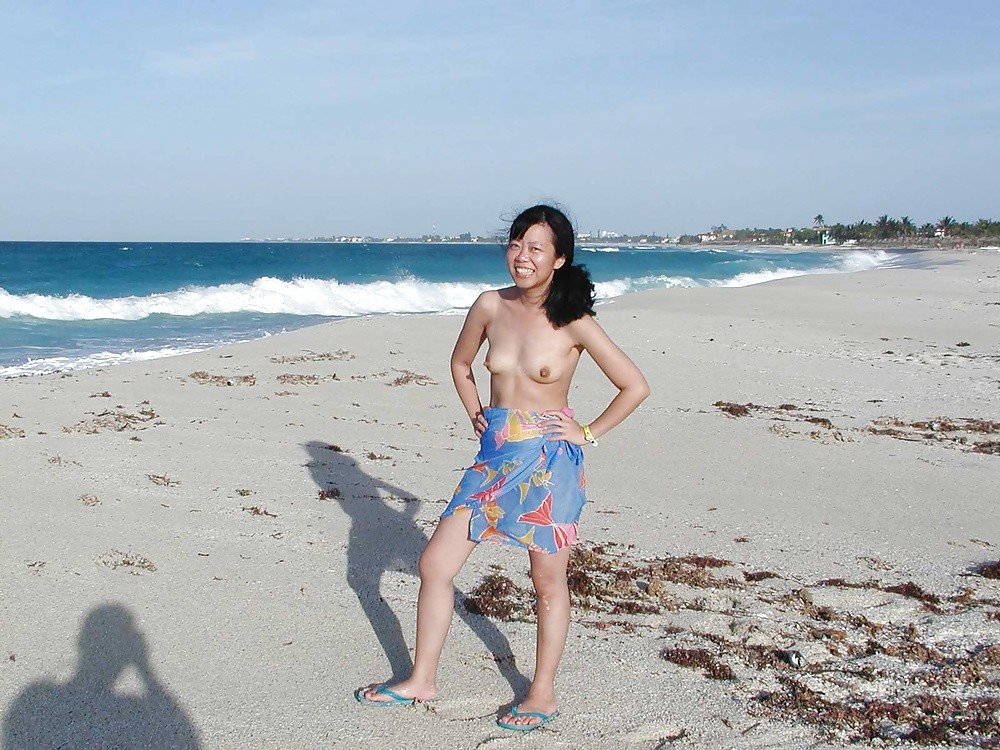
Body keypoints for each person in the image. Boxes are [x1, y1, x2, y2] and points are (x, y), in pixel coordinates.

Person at [356, 204, 649, 731]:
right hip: (493, 458)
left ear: (559, 259)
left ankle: (542, 693)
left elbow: (635, 386)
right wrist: (476, 411)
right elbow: (460, 363)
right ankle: (421, 678)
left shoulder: (574, 321)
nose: (522, 256)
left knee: (547, 580)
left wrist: (586, 432)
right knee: (435, 564)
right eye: (516, 244)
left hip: (547, 461)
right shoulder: (490, 304)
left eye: (536, 247)